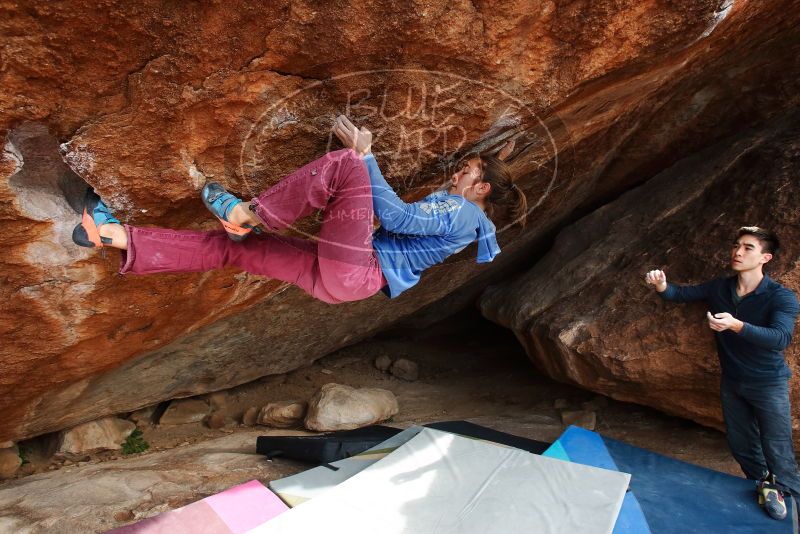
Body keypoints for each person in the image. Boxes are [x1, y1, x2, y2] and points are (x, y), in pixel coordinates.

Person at [72, 115, 527, 304]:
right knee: (236, 250)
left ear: (482, 187)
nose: (455, 176)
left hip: (357, 270)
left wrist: (367, 156)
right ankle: (115, 236)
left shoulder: (468, 214)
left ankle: (248, 214)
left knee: (348, 164)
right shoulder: (467, 219)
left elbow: (400, 218)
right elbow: (401, 227)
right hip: (344, 280)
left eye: (465, 172)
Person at [645, 227, 800, 521]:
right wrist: (662, 285)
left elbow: (781, 338)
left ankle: (793, 507)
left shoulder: (781, 297)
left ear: (765, 257)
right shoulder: (721, 287)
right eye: (736, 245)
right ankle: (764, 486)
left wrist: (736, 325)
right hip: (733, 381)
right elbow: (680, 294)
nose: (738, 252)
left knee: (778, 449)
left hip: (768, 382)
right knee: (742, 445)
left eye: (748, 248)